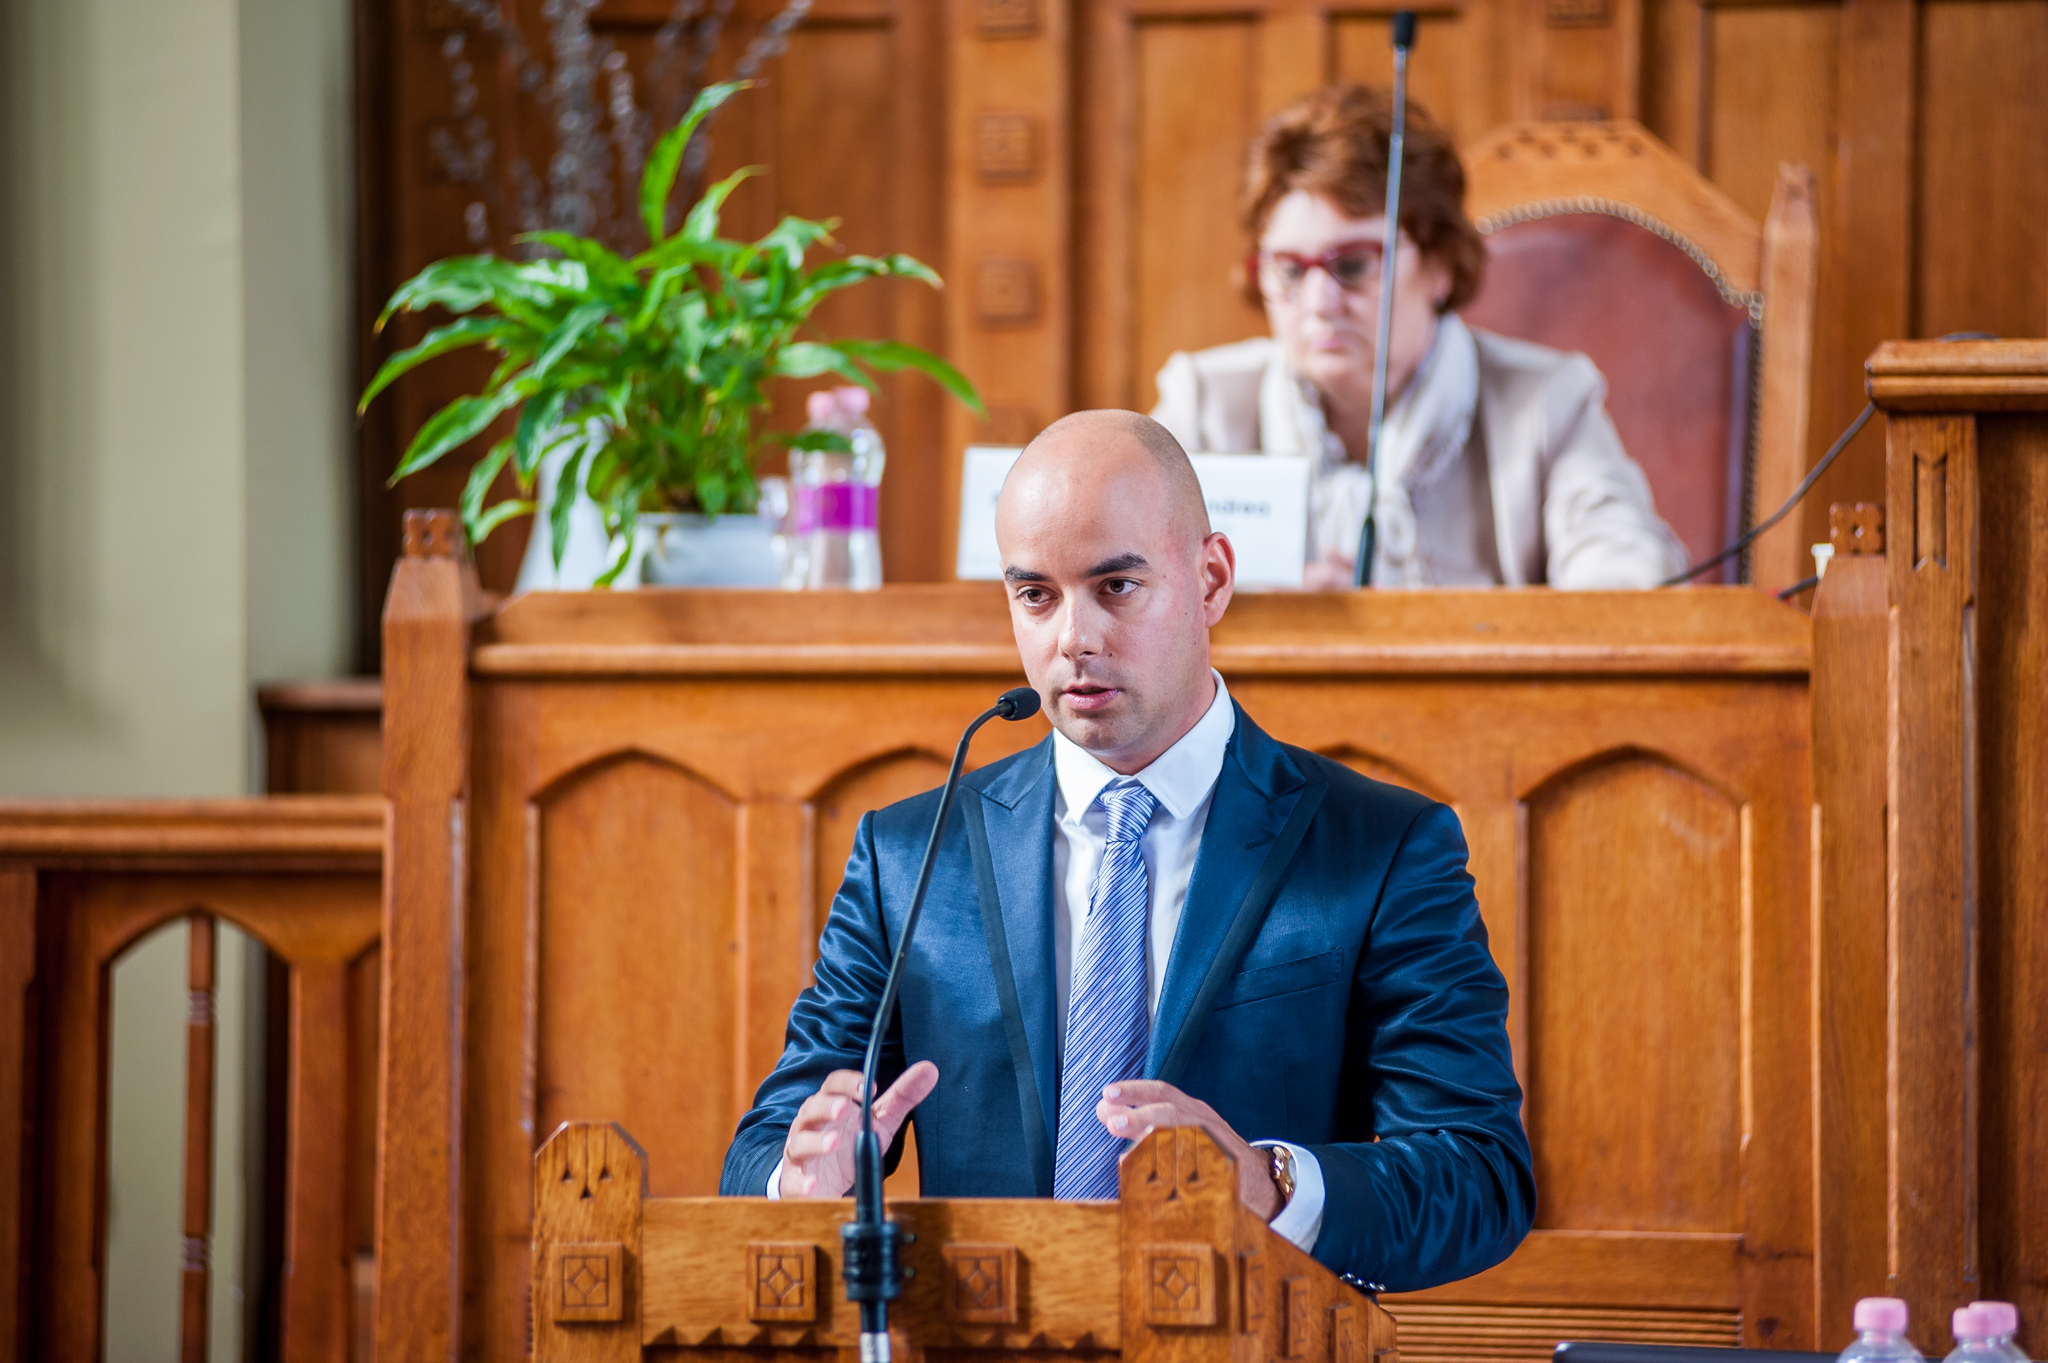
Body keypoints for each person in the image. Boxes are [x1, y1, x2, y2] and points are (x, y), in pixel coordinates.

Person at [721, 410, 1534, 1292]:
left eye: (1115, 586)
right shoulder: (908, 857)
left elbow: (1479, 1176)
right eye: (1036, 596)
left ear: (1211, 579)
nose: (1074, 638)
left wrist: (1269, 1183)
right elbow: (765, 1147)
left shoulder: (1383, 846)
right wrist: (800, 1177)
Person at [1150, 84, 1686, 590]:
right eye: (1290, 269)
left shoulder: (1546, 403)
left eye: (1353, 265)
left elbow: (1626, 575)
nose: (1318, 303)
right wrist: (1263, 617)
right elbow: (1129, 587)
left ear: (1440, 265)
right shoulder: (1203, 406)